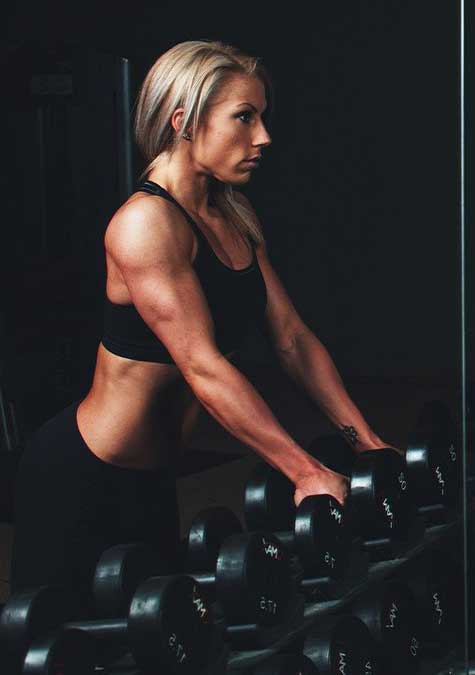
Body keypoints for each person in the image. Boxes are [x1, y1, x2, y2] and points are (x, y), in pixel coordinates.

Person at [10, 40, 387, 600]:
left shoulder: (230, 216)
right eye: (243, 117)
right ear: (183, 120)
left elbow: (292, 340)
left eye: (261, 117)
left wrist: (368, 446)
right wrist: (304, 472)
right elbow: (202, 367)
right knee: (56, 648)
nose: (263, 137)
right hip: (83, 475)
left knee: (156, 640)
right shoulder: (145, 224)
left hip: (155, 482)